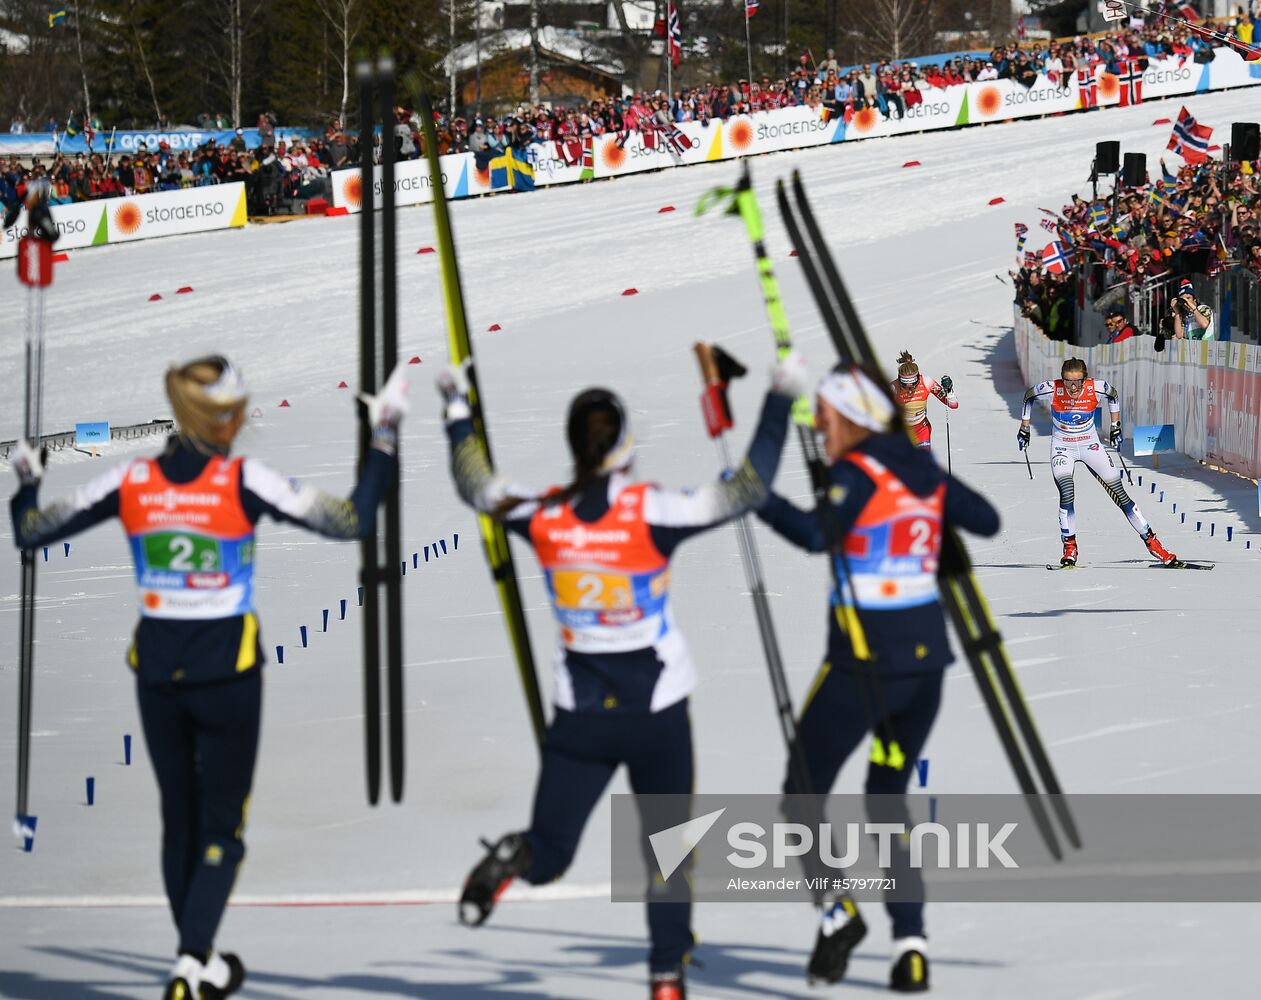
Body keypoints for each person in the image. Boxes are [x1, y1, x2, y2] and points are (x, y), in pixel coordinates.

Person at [9, 356, 410, 999]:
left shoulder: (132, 479)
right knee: (222, 829)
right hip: (227, 675)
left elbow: (31, 533)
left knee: (180, 820)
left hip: (157, 674)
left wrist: (27, 480)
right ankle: (190, 962)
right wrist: (384, 434)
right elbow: (352, 520)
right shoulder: (243, 478)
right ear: (226, 420)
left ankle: (199, 963)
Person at [440, 351, 811, 1000]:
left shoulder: (543, 511)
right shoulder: (650, 508)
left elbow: (477, 487)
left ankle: (515, 858)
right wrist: (781, 396)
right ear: (625, 446)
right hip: (656, 714)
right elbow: (747, 489)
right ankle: (666, 977)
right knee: (668, 851)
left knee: (551, 854)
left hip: (580, 720)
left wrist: (455, 408)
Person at [754, 365, 1000, 993]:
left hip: (866, 669)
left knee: (800, 793)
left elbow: (817, 535)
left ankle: (838, 915)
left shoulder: (858, 471)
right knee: (885, 800)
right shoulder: (915, 466)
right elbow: (985, 519)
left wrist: (760, 497)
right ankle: (910, 946)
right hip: (926, 671)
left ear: (855, 419)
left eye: (827, 421)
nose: (821, 432)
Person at [1018, 357, 1176, 567]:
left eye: (1077, 382)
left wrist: (1115, 425)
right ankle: (1070, 547)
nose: (1073, 387)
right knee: (1067, 492)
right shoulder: (1052, 388)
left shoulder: (1096, 387)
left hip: (1090, 445)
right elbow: (1029, 396)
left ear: (1086, 379)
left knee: (1120, 495)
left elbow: (1113, 395)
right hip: (1062, 447)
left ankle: (1152, 543)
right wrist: (1025, 427)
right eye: (1067, 381)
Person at [890, 351, 957, 451]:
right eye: (904, 386)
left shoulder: (927, 382)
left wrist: (949, 391)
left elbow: (953, 404)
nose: (909, 390)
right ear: (899, 380)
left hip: (921, 429)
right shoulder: (893, 387)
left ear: (917, 379)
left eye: (913, 385)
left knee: (922, 463)